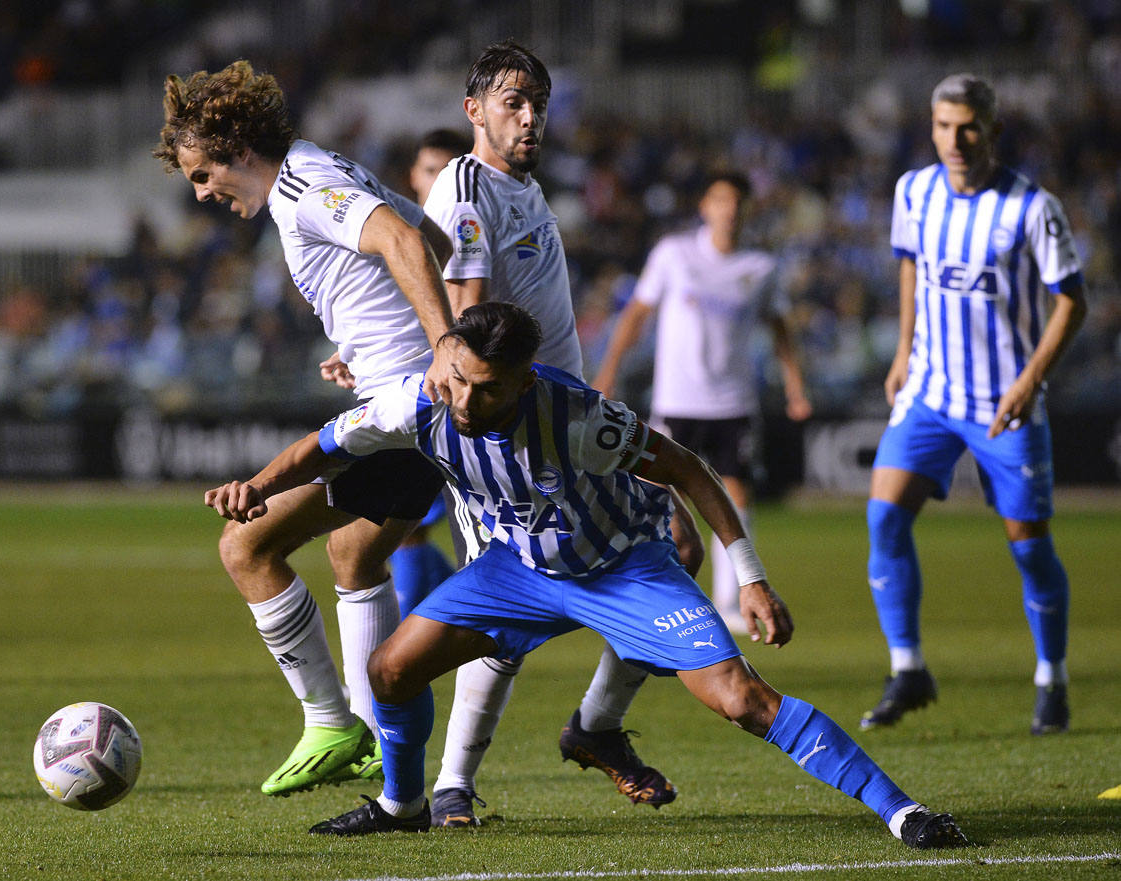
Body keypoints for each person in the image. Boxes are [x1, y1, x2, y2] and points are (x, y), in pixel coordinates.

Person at [204, 301, 970, 850]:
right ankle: (404, 803)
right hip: (516, 572)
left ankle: (902, 812)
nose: (467, 399)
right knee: (389, 670)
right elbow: (326, 443)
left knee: (741, 700)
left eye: (487, 389)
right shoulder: (421, 399)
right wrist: (258, 486)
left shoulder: (577, 417)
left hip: (623, 568)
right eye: (460, 378)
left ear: (525, 381)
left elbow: (689, 470)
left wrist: (751, 576)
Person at [154, 60, 458, 796]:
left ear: (234, 148)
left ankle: (331, 720)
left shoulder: (302, 190)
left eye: (201, 173)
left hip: (408, 410)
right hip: (409, 398)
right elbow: (437, 247)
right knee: (356, 555)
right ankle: (388, 770)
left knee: (246, 542)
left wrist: (442, 349)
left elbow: (407, 245)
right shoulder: (324, 168)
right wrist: (365, 346)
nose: (201, 192)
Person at [419, 39, 676, 825]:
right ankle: (451, 784)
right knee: (506, 610)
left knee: (668, 554)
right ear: (474, 111)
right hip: (517, 433)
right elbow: (466, 326)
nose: (529, 118)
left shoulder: (521, 186)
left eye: (537, 103)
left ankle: (595, 726)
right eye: (511, 103)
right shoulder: (467, 188)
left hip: (566, 420)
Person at [860, 74, 1087, 735]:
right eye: (942, 126)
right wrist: (903, 350)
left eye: (967, 128)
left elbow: (1072, 300)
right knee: (882, 520)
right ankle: (907, 668)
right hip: (928, 392)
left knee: (1028, 548)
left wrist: (1030, 380)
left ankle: (1051, 676)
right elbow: (908, 265)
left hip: (1003, 403)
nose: (953, 140)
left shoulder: (1030, 207)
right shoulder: (913, 191)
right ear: (929, 127)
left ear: (991, 130)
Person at [592, 171, 812, 632]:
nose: (729, 210)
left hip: (733, 402)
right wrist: (610, 368)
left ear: (748, 210)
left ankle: (730, 603)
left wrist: (795, 387)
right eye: (720, 200)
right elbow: (637, 313)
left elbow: (779, 330)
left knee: (736, 498)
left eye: (737, 202)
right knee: (656, 501)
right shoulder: (675, 255)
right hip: (677, 401)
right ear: (705, 207)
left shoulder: (761, 267)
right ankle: (653, 593)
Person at [386, 127, 473, 618]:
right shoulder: (404, 237)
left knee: (469, 533)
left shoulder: (470, 233)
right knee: (403, 523)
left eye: (448, 170)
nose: (438, 180)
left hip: (461, 401)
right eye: (429, 170)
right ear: (413, 179)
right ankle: (416, 626)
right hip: (410, 393)